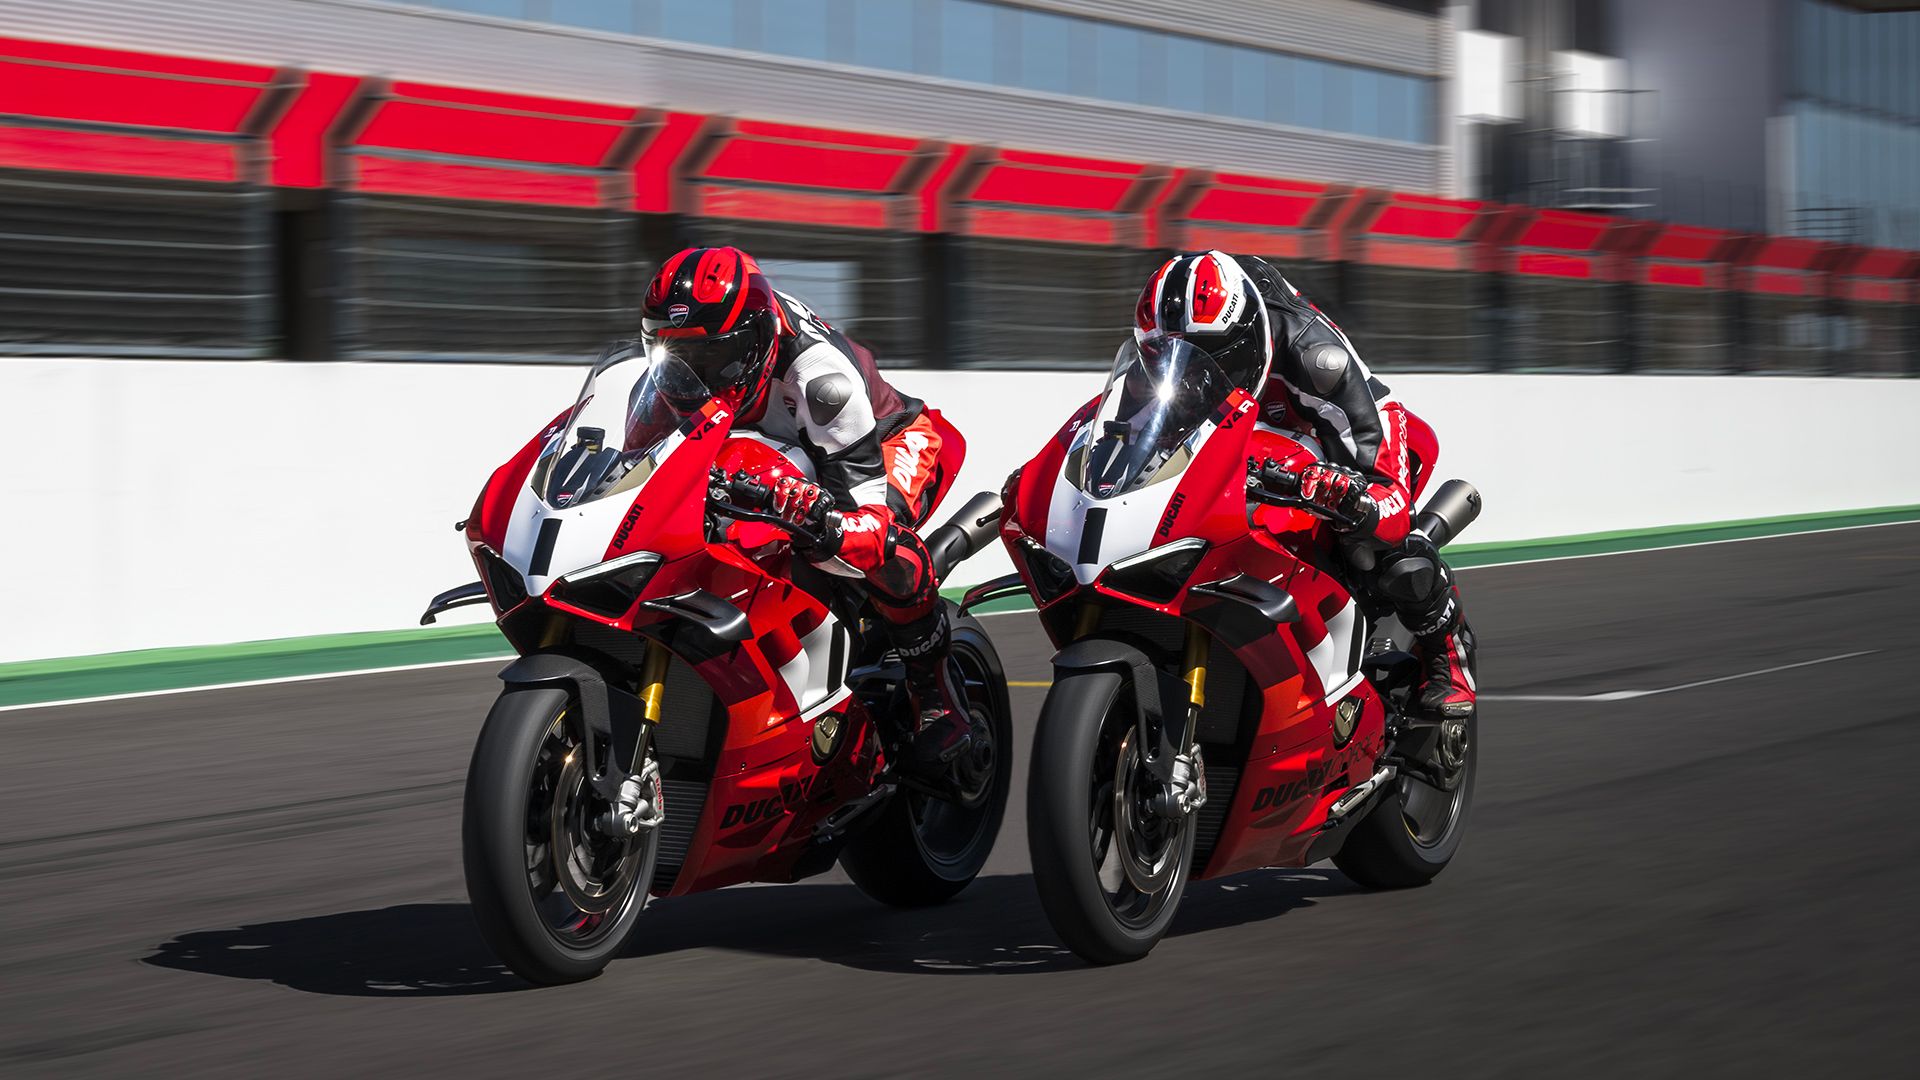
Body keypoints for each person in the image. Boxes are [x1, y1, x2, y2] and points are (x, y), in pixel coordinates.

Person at [638, 246, 970, 777]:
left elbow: (867, 518)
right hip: (783, 441)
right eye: (674, 358)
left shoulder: (822, 379)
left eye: (709, 361)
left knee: (867, 548)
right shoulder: (683, 371)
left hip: (884, 444)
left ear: (755, 344)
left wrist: (820, 520)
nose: (693, 381)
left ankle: (935, 695)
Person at [1133, 250, 1476, 735]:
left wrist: (1349, 495)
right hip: (1245, 430)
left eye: (1214, 359)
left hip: (1338, 428)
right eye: (1170, 359)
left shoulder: (1316, 359)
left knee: (1377, 539)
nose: (1194, 375)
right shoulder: (1167, 359)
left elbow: (1386, 493)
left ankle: (1449, 655)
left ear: (1248, 336)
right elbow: (1123, 431)